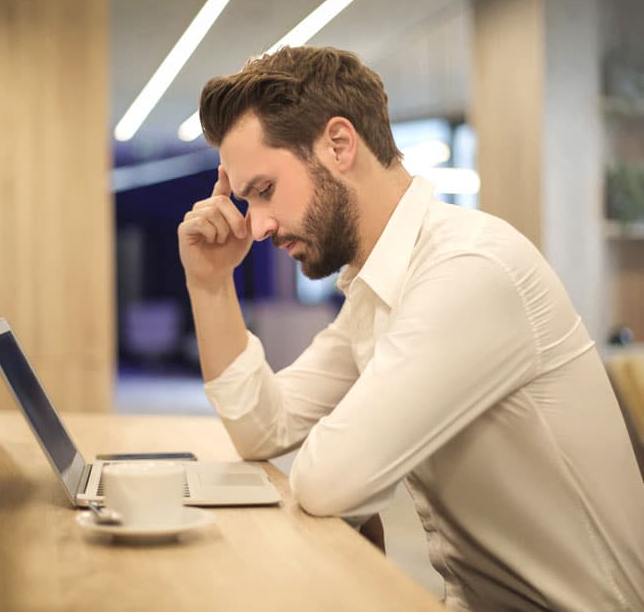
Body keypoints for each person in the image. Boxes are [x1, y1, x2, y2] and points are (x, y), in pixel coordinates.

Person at [176, 46, 644, 612]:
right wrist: (209, 284)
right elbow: (263, 428)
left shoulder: (469, 270)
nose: (258, 226)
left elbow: (330, 481)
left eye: (266, 190)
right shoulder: (378, 291)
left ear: (339, 145)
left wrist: (348, 467)